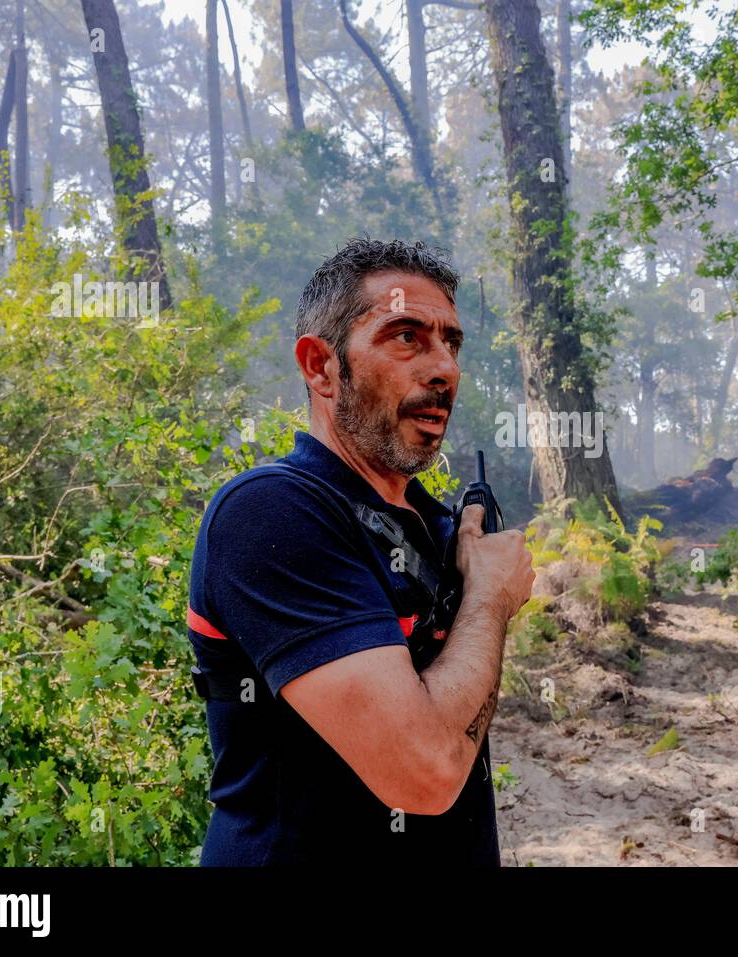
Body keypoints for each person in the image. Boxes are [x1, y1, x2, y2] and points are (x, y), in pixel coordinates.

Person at [186, 238, 535, 865]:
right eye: (406, 337)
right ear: (321, 366)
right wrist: (489, 595)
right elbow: (424, 772)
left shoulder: (436, 527)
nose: (444, 369)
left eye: (451, 343)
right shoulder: (271, 513)